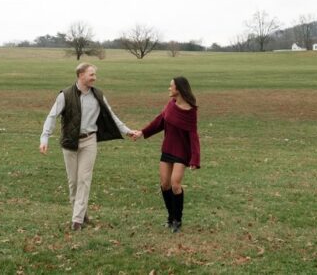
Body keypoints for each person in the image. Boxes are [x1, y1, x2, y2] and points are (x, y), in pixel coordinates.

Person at [39, 62, 134, 230]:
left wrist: (127, 131)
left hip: (90, 141)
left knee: (84, 179)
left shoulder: (98, 95)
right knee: (74, 182)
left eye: (94, 75)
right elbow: (52, 116)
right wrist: (44, 138)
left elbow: (111, 115)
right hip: (70, 142)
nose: (94, 78)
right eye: (91, 75)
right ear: (81, 75)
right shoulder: (65, 95)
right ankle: (82, 213)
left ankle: (77, 220)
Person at [131, 76, 200, 232]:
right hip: (168, 149)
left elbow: (193, 136)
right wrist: (142, 132)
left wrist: (195, 158)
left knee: (175, 185)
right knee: (165, 184)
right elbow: (159, 122)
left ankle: (178, 220)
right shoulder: (171, 105)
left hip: (182, 152)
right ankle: (170, 217)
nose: (169, 88)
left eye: (171, 86)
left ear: (179, 89)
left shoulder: (190, 111)